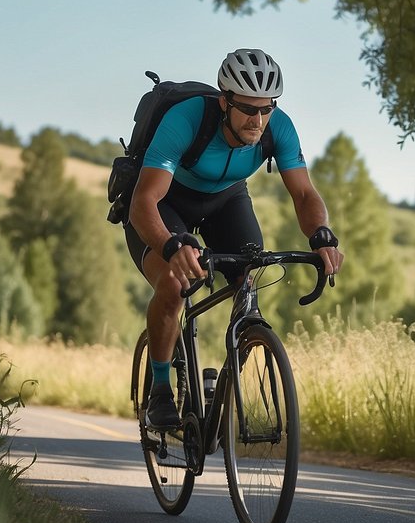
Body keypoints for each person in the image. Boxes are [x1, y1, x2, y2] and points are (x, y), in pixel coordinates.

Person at [125, 48, 345, 430]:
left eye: (266, 108)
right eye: (247, 108)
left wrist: (321, 234)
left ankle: (226, 381)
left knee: (250, 275)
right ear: (224, 101)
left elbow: (305, 195)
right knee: (175, 285)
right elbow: (145, 201)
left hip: (226, 199)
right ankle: (161, 388)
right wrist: (170, 245)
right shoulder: (185, 120)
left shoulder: (279, 127)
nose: (258, 120)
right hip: (166, 201)